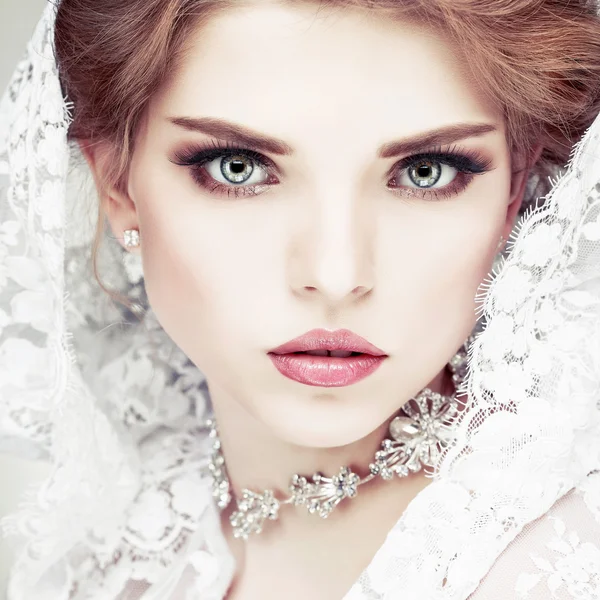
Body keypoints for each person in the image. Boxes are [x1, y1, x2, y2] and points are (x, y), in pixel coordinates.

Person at [1, 0, 600, 598]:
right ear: (117, 184)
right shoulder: (114, 548)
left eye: (426, 171)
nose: (336, 275)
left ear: (515, 188)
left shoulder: (560, 563)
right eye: (238, 168)